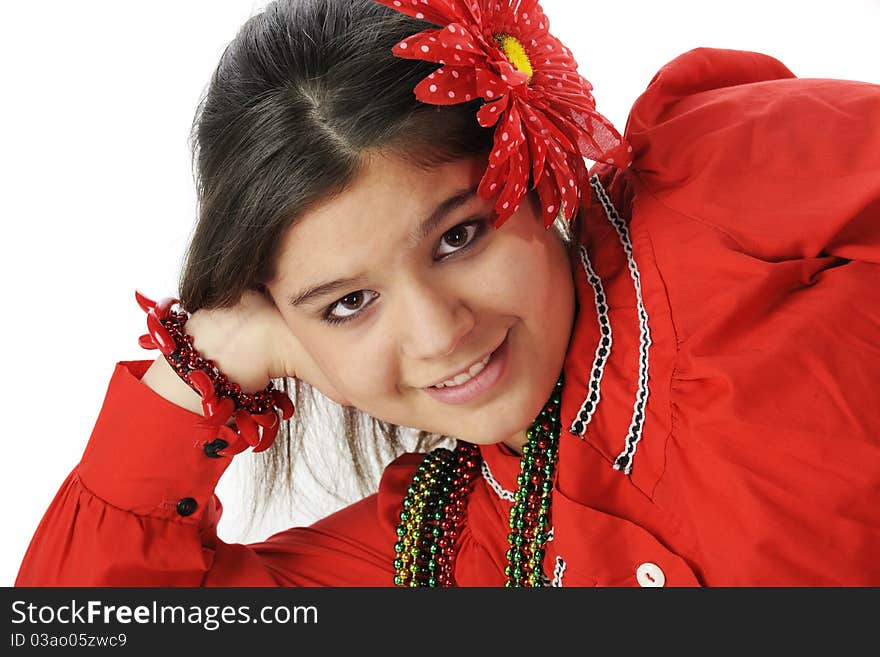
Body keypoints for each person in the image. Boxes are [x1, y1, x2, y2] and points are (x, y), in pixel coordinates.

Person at [15, 0, 880, 587]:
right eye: (346, 304)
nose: (438, 334)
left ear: (534, 167)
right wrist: (199, 371)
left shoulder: (721, 198)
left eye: (459, 237)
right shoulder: (435, 546)